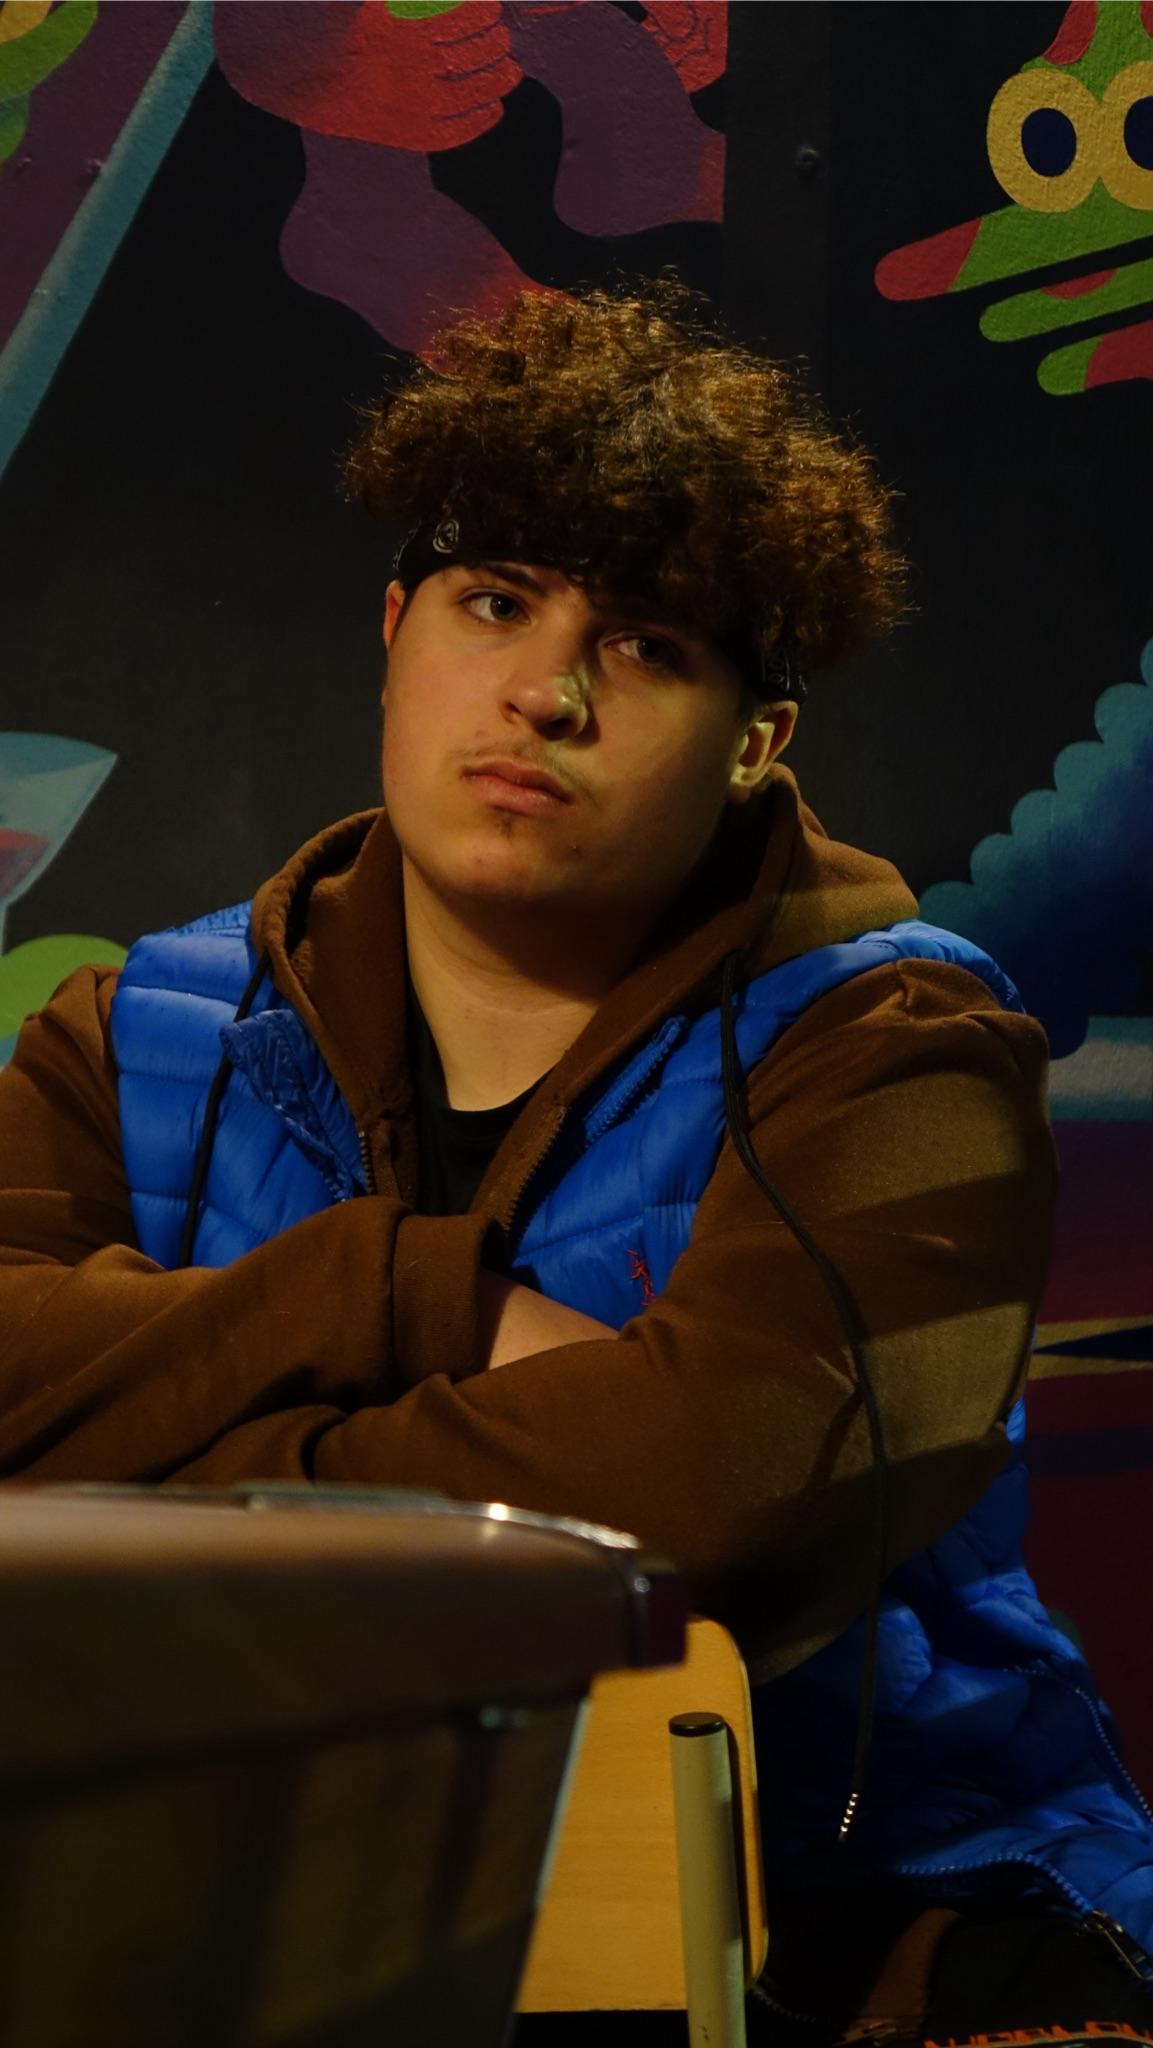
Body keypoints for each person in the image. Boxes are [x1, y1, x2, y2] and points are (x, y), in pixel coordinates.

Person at [1, 287, 1151, 2044]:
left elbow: (713, 1501)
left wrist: (137, 1487)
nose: (543, 692)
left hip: (871, 1926)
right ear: (396, 631)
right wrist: (408, 1294)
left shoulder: (907, 1051)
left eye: (647, 647)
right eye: (494, 603)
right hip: (243, 1901)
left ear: (755, 741)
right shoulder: (131, 1035)